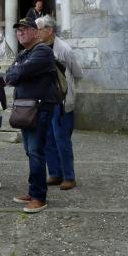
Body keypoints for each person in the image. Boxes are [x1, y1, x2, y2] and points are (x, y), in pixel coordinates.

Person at [6, 17, 58, 214]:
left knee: (36, 151)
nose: (20, 33)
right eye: (18, 30)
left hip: (39, 108)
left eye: (25, 29)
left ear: (36, 32)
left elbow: (18, 72)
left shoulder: (43, 51)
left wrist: (18, 72)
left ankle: (39, 197)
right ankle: (33, 190)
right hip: (26, 108)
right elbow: (10, 75)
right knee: (30, 150)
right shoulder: (23, 53)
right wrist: (17, 72)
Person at [36, 15, 84, 190]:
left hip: (61, 101)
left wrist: (67, 89)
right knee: (47, 138)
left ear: (50, 30)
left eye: (40, 29)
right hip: (44, 100)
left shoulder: (64, 49)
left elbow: (77, 73)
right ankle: (55, 173)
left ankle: (69, 176)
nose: (37, 32)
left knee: (62, 139)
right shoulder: (38, 48)